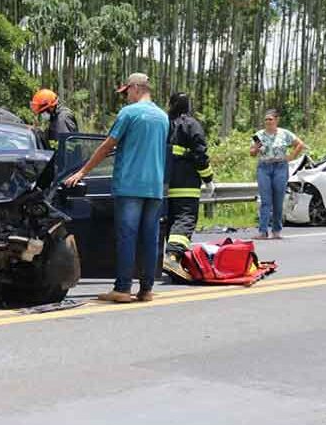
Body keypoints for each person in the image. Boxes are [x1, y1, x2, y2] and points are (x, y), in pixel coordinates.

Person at [64, 73, 168, 303]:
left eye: (127, 92)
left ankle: (122, 288)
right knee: (150, 238)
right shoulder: (162, 117)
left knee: (127, 237)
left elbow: (107, 146)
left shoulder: (129, 113)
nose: (126, 97)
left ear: (136, 88)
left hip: (130, 185)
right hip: (155, 186)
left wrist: (82, 172)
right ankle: (146, 289)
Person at [163, 92, 214, 278]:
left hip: (164, 181)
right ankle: (173, 256)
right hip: (186, 181)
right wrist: (208, 178)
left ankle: (173, 259)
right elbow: (200, 154)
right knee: (185, 218)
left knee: (172, 221)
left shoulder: (164, 124)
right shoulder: (191, 125)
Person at [250, 109, 305, 240]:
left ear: (276, 120)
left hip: (280, 167)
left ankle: (276, 230)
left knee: (278, 199)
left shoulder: (284, 133)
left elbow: (300, 144)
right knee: (265, 200)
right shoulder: (259, 135)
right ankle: (263, 231)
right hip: (264, 167)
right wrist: (256, 147)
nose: (268, 122)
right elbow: (252, 153)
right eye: (266, 119)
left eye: (270, 119)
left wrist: (291, 157)